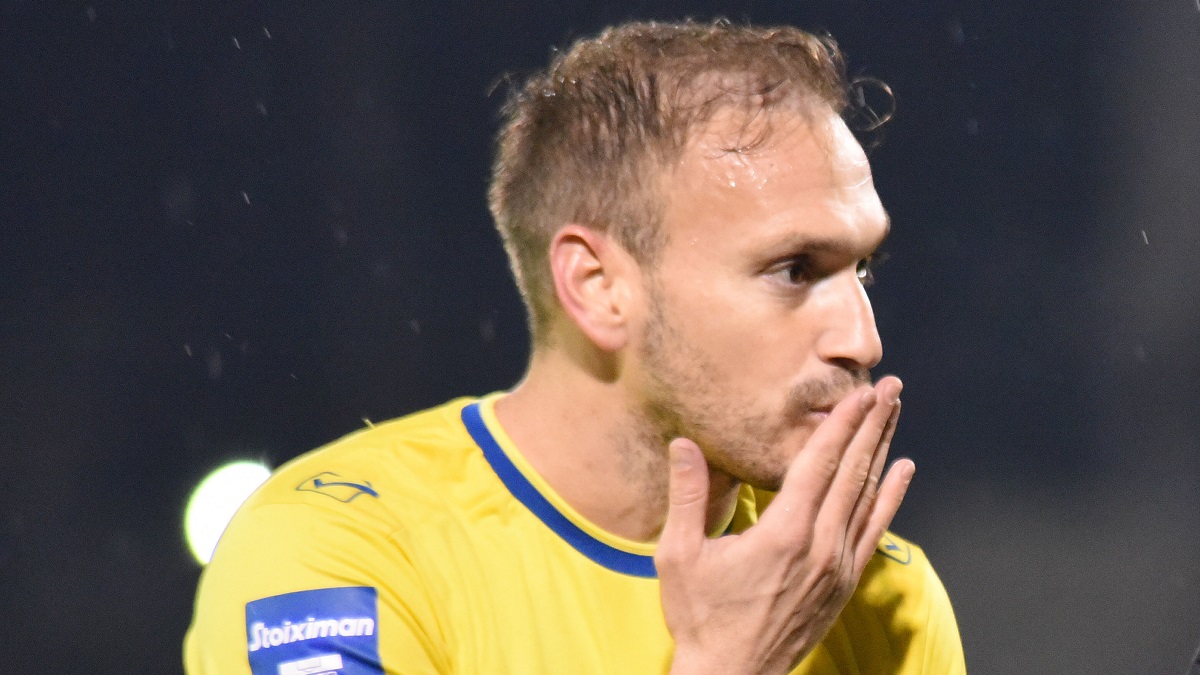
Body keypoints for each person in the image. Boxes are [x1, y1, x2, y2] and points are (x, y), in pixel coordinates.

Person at [184, 20, 966, 674]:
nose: (862, 338)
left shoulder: (881, 600)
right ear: (598, 286)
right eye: (794, 270)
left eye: (862, 268)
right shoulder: (336, 555)